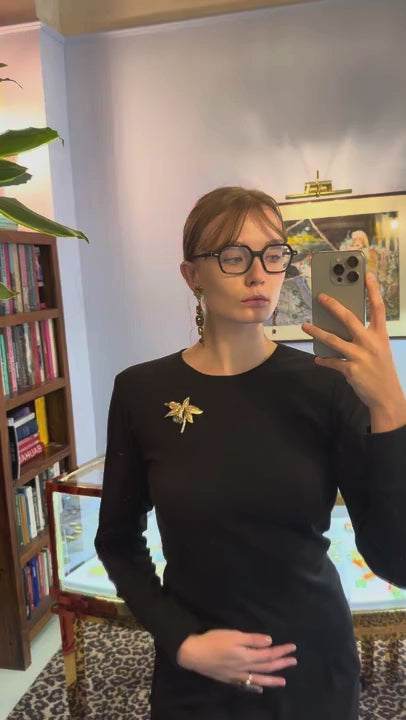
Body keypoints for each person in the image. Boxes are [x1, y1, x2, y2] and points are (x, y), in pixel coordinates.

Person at [95, 186, 406, 720]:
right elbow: (117, 542)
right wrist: (183, 642)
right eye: (233, 256)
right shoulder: (140, 391)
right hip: (196, 676)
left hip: (311, 669)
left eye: (273, 254)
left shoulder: (328, 386)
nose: (259, 274)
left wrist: (391, 407)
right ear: (191, 275)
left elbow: (396, 560)